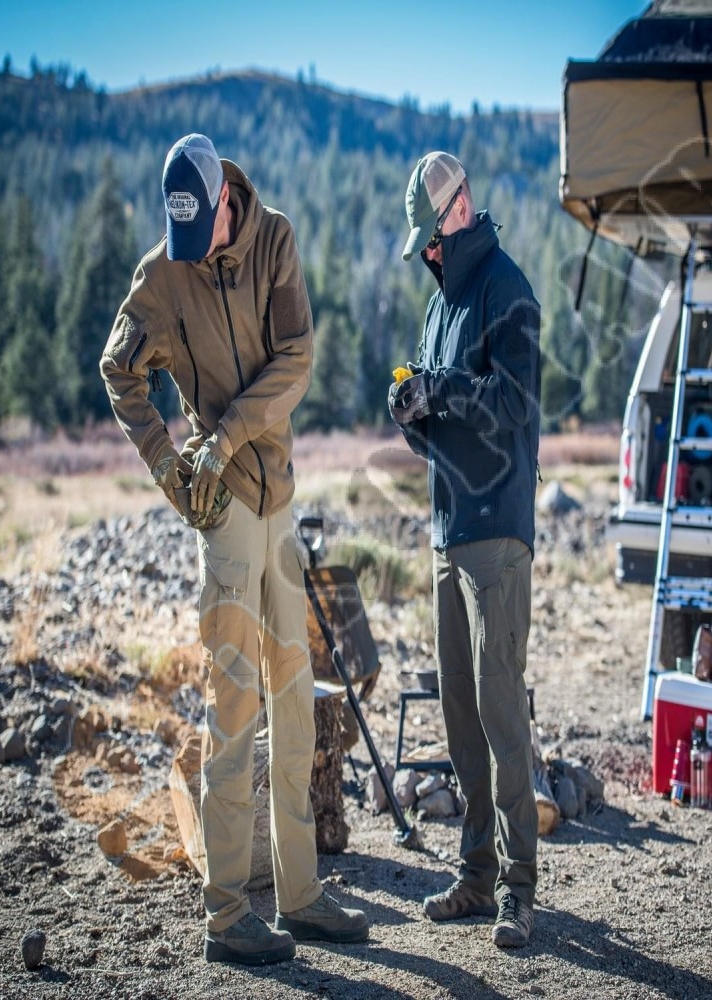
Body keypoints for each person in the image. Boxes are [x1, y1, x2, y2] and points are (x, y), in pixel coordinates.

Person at [100, 133, 368, 966]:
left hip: (277, 496)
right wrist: (167, 464)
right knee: (233, 705)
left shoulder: (274, 238)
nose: (194, 246)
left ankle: (301, 894)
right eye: (179, 233)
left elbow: (297, 361)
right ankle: (225, 914)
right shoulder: (162, 272)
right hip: (223, 516)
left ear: (227, 198)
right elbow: (118, 370)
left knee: (296, 702)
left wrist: (224, 439)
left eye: (203, 227)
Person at [389, 151, 542, 948]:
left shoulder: (507, 289)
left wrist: (440, 389)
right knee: (459, 712)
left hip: (497, 532)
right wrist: (412, 413)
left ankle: (519, 887)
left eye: (432, 234)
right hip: (448, 530)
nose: (426, 250)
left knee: (499, 709)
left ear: (459, 210)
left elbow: (515, 403)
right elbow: (441, 425)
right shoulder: (438, 304)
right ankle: (476, 875)